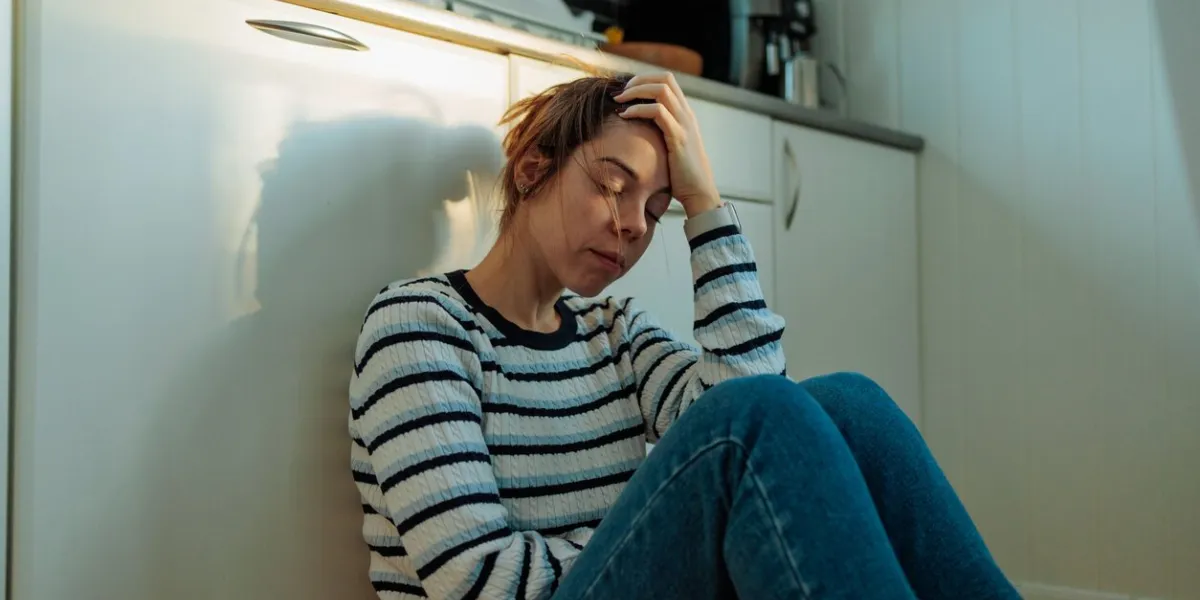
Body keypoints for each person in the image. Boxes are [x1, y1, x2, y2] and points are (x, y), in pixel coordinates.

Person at [347, 70, 1022, 600]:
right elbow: (481, 585)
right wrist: (666, 524)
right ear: (532, 170)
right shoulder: (420, 328)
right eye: (614, 186)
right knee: (745, 423)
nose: (635, 225)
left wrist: (705, 202)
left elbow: (761, 398)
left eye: (657, 210)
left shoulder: (615, 335)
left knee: (848, 405)